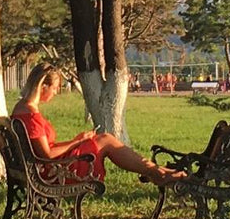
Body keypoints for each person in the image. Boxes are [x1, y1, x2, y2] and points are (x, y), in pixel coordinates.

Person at [11, 62, 184, 185]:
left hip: (45, 167)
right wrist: (76, 142)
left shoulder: (22, 109)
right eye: (55, 87)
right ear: (43, 86)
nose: (56, 92)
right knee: (106, 141)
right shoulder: (31, 116)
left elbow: (44, 150)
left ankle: (155, 171)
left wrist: (78, 140)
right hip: (53, 171)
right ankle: (157, 173)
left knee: (104, 139)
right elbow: (47, 155)